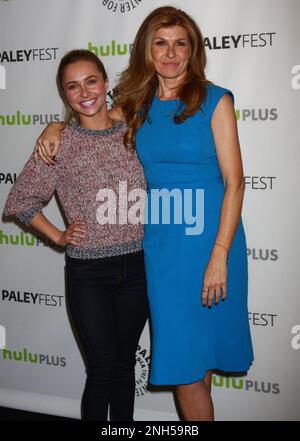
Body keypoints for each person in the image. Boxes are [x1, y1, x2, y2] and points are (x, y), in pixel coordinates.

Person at [34, 6, 254, 421]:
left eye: (180, 44)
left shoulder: (215, 100)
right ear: (146, 50)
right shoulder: (138, 104)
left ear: (192, 51)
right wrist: (55, 127)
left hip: (213, 245)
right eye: (161, 43)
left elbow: (235, 183)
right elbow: (91, 121)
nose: (170, 53)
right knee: (187, 369)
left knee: (199, 365)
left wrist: (220, 255)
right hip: (162, 250)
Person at [3, 49, 149, 421]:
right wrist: (57, 235)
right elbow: (20, 201)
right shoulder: (59, 143)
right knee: (101, 372)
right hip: (89, 274)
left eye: (91, 81)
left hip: (138, 269)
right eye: (73, 86)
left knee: (124, 367)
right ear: (64, 94)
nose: (84, 92)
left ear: (105, 83)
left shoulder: (132, 128)